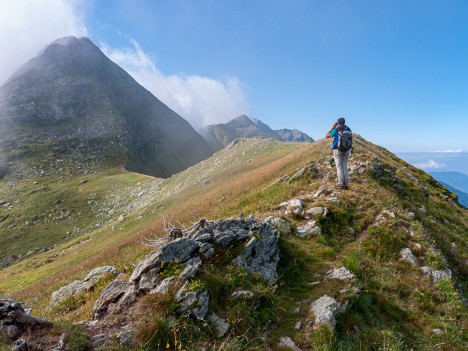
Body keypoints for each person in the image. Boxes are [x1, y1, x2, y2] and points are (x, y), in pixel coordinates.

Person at [326, 117, 352, 189]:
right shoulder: (349, 129)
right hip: (347, 150)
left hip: (337, 150)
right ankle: (346, 185)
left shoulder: (336, 129)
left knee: (339, 167)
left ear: (337, 123)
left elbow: (327, 136)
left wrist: (332, 128)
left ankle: (341, 185)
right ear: (344, 122)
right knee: (344, 166)